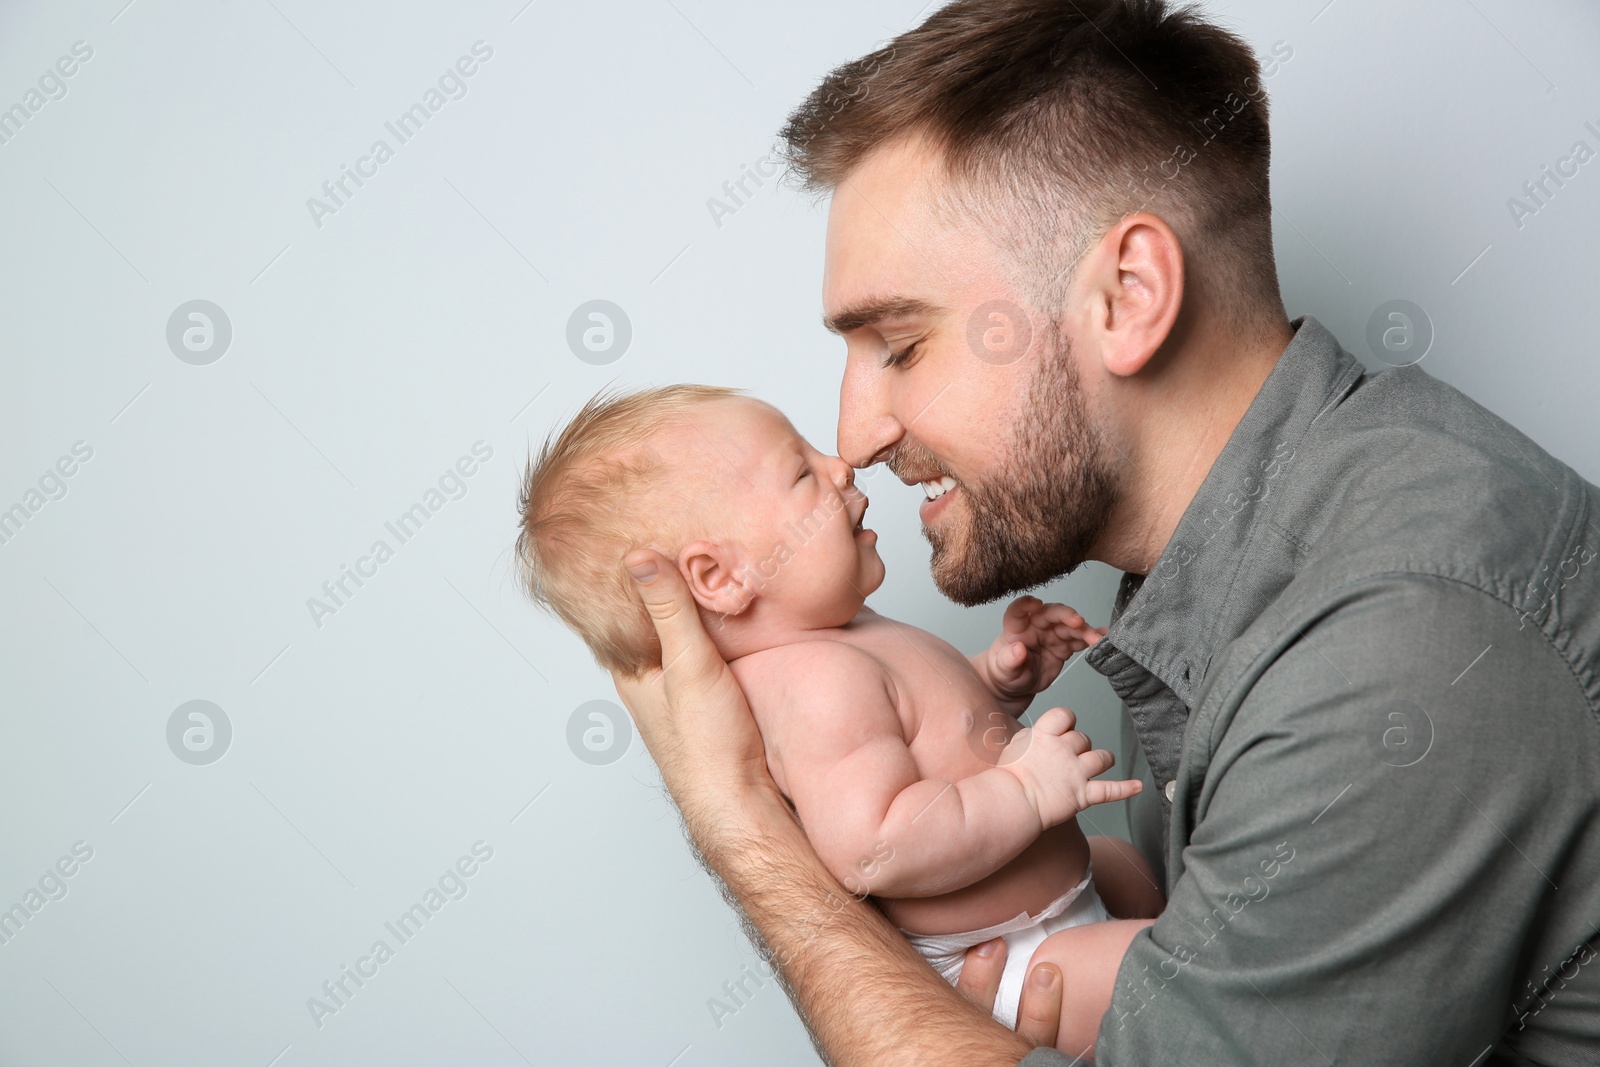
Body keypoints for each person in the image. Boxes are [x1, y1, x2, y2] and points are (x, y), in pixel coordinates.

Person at [613, 0, 1600, 1062]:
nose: (850, 437)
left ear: (1126, 298)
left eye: (899, 346)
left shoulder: (1396, 647)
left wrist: (744, 830)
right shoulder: (1213, 572)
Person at [517, 385, 1164, 1056]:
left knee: (1146, 876)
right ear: (720, 577)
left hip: (1055, 901)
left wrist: (999, 677)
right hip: (1016, 959)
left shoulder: (846, 631)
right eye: (802, 471)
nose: (840, 465)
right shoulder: (812, 684)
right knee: (1169, 973)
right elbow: (876, 844)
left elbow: (927, 734)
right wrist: (1025, 792)